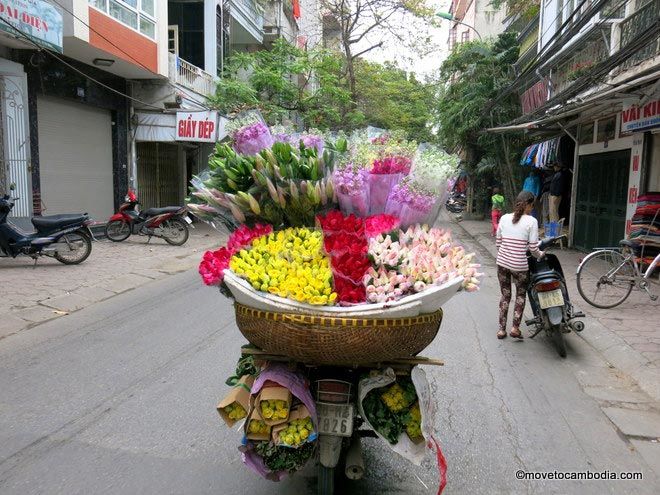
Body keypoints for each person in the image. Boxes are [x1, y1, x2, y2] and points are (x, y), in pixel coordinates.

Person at [495, 191, 544, 340]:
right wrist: (541, 255)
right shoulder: (532, 221)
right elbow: (533, 248)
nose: (532, 208)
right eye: (532, 205)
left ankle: (501, 330)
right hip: (520, 266)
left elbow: (498, 243)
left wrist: (506, 254)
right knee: (520, 295)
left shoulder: (504, 218)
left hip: (502, 263)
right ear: (528, 205)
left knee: (505, 295)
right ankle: (515, 328)